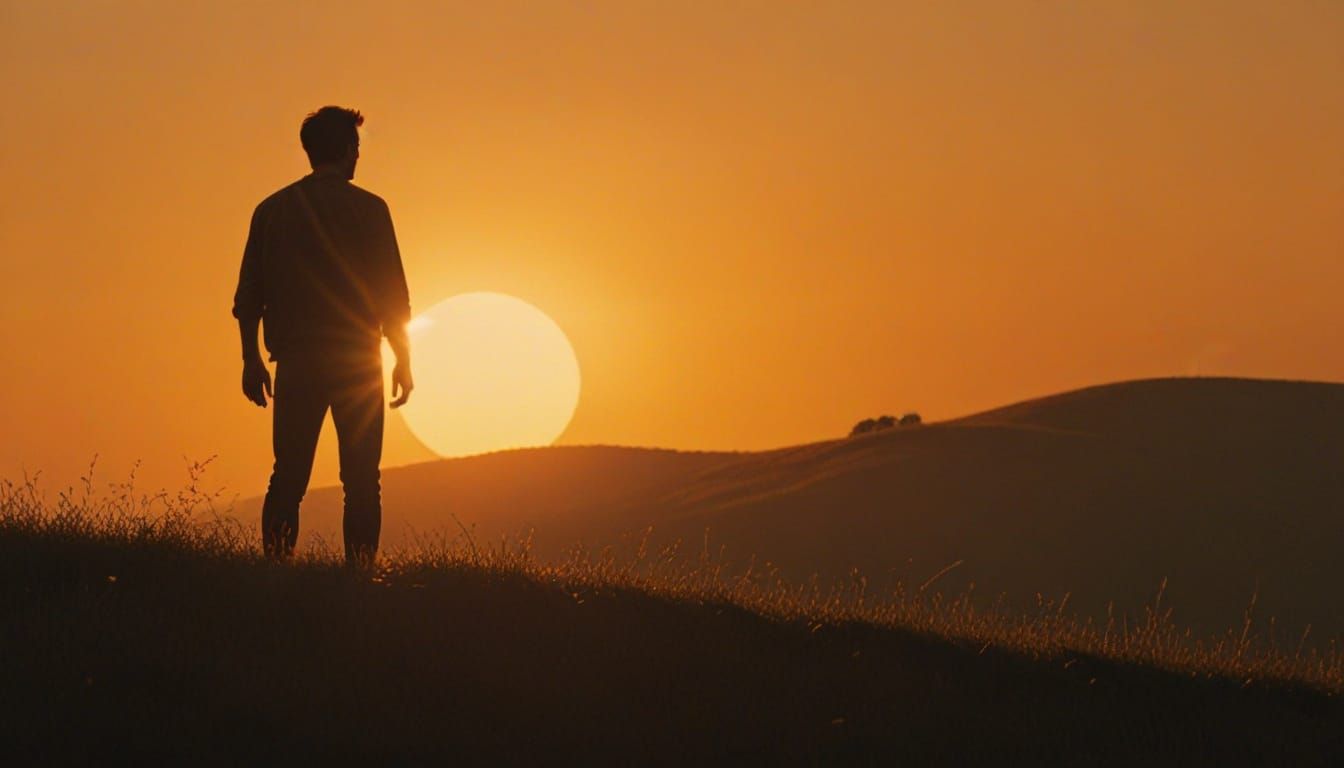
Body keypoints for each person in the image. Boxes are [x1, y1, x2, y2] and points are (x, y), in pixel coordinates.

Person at [231, 106, 413, 565]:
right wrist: (403, 359)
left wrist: (251, 359)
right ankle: (361, 576)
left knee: (288, 476)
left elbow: (249, 297)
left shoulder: (271, 210)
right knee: (362, 480)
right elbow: (393, 297)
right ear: (349, 149)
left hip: (297, 361)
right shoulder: (371, 210)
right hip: (357, 360)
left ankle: (276, 570)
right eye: (357, 147)